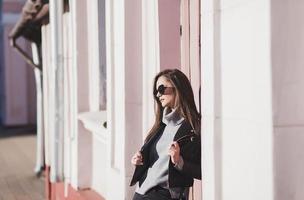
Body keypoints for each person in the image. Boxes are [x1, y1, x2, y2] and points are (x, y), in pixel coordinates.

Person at [130, 69, 201, 200]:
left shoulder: (193, 128)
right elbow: (155, 163)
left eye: (162, 89)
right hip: (142, 191)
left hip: (165, 194)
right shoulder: (161, 125)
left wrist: (179, 161)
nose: (158, 94)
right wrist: (139, 160)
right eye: (156, 91)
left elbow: (203, 170)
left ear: (178, 89)